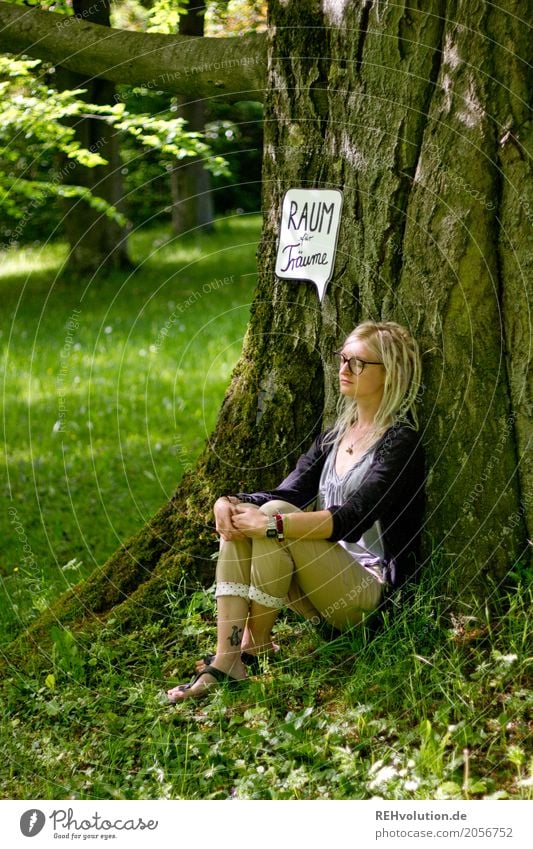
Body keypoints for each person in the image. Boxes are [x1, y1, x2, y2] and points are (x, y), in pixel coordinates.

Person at [167, 320, 425, 701]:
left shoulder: (400, 443)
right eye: (342, 359)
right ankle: (229, 658)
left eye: (358, 363)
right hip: (319, 591)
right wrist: (230, 502)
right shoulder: (335, 436)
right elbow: (287, 491)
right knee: (258, 516)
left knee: (273, 518)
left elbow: (350, 520)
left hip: (369, 597)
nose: (343, 369)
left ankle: (254, 649)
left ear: (390, 374)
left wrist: (272, 523)